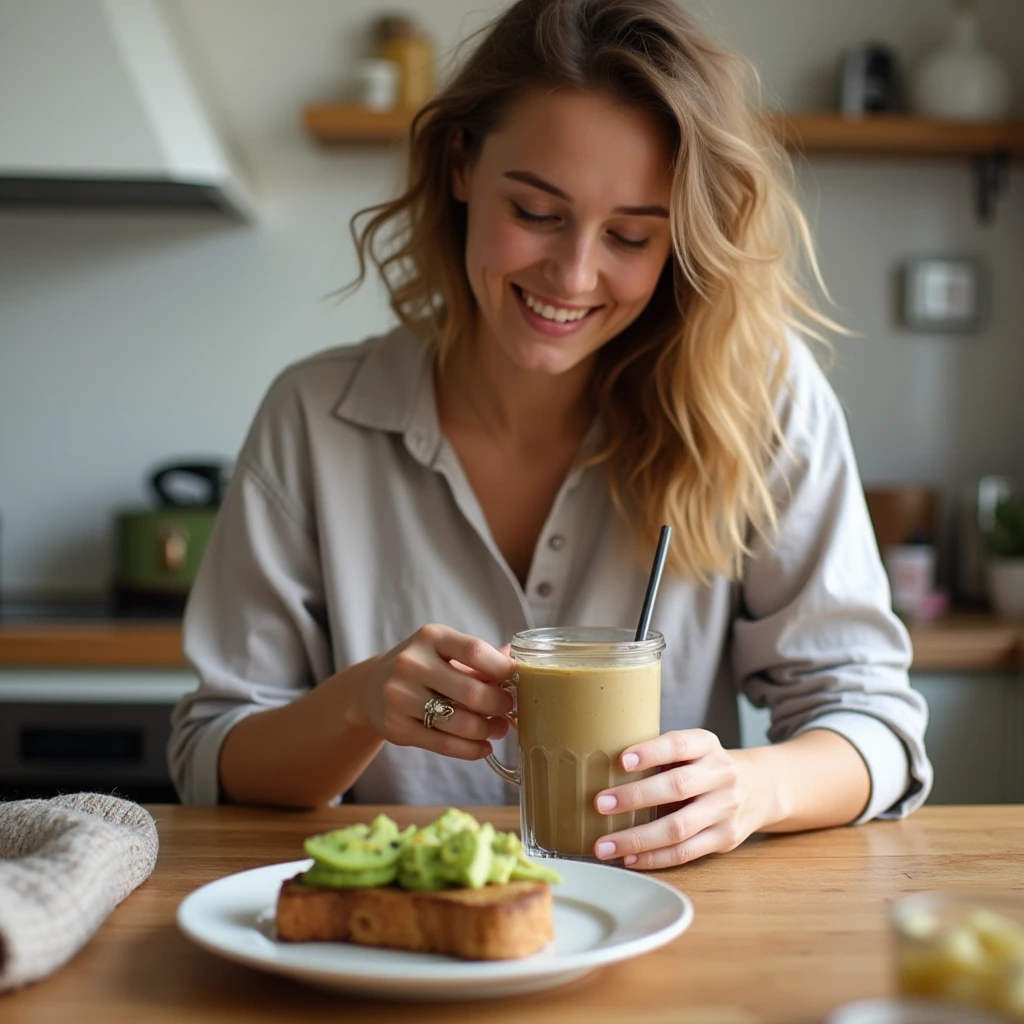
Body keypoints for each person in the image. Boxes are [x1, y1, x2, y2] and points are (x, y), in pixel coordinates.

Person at [169, 0, 931, 870]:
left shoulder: (760, 399)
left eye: (632, 235)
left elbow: (875, 723)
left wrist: (757, 788)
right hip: (403, 946)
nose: (572, 275)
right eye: (535, 212)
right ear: (461, 165)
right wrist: (355, 704)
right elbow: (210, 758)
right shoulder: (313, 418)